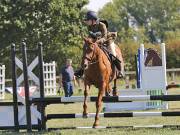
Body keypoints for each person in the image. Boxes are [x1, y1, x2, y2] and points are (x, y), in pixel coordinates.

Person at [74, 10, 121, 78]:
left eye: (88, 20)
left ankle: (119, 71)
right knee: (87, 53)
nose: (87, 22)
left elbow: (104, 37)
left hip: (108, 40)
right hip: (96, 43)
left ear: (93, 20)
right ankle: (81, 70)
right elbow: (91, 36)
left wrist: (96, 42)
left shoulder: (102, 25)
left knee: (113, 54)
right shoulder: (89, 26)